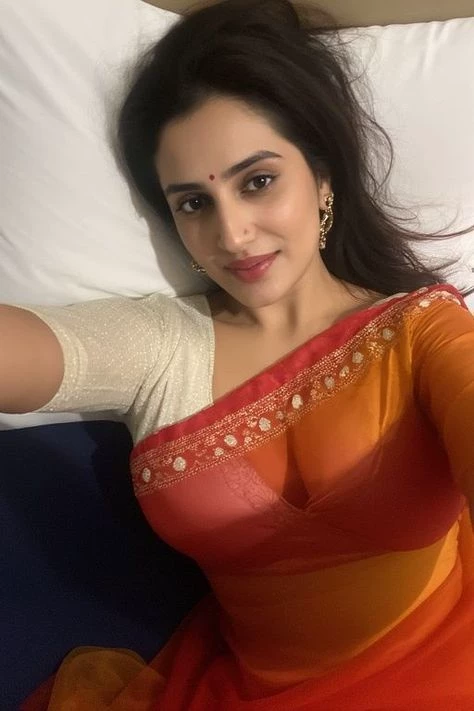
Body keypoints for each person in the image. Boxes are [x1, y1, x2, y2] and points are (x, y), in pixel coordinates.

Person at [8, 0, 474, 708]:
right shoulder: (164, 345)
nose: (231, 234)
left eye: (258, 181)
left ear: (323, 178)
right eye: (193, 204)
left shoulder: (422, 331)